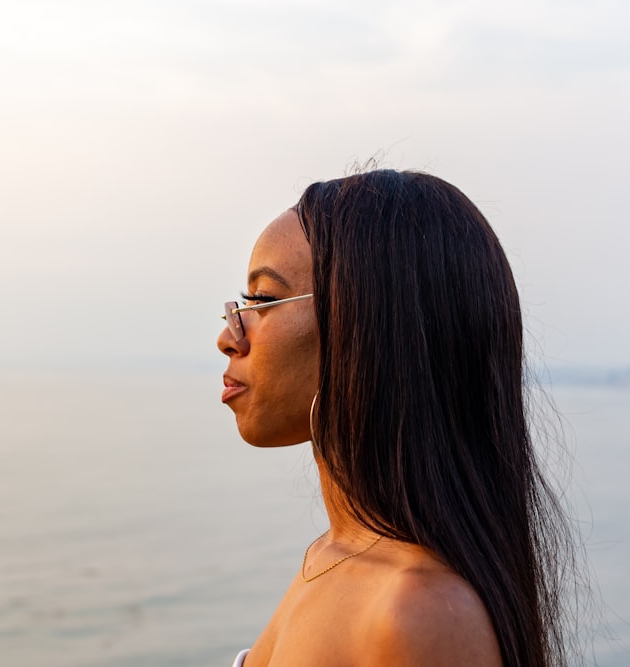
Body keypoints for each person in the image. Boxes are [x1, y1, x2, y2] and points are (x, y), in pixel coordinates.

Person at [217, 169, 580, 666]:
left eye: (262, 300)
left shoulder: (419, 613)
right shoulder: (332, 556)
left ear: (364, 331)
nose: (229, 336)